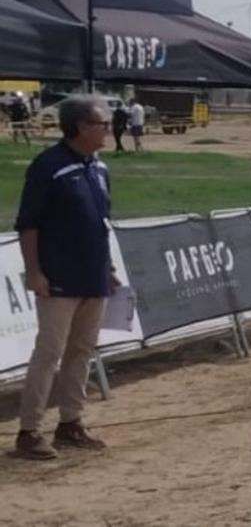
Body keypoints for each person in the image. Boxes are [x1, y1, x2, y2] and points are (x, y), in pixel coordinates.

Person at [13, 95, 117, 460]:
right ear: (80, 127)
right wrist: (35, 272)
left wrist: (109, 268)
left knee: (82, 351)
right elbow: (28, 225)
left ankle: (71, 422)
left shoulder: (99, 168)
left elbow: (101, 222)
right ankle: (29, 431)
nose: (108, 129)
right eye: (102, 123)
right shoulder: (48, 166)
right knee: (49, 353)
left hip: (93, 276)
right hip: (58, 278)